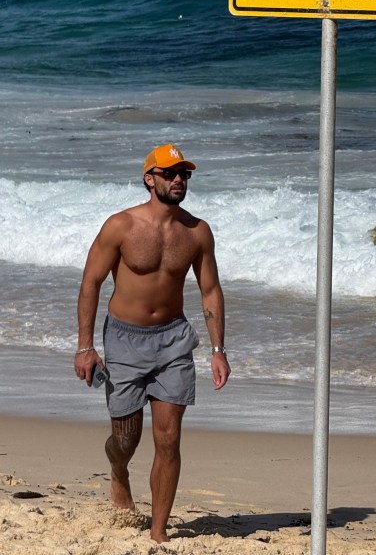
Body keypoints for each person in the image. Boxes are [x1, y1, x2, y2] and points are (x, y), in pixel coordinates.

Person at [74, 143, 230, 543]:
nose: (179, 180)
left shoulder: (197, 232)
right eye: (170, 173)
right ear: (150, 179)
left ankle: (158, 532)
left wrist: (218, 350)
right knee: (125, 440)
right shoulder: (120, 226)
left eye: (185, 174)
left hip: (174, 340)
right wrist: (85, 346)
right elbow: (91, 283)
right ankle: (119, 473)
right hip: (125, 340)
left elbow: (210, 290)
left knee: (169, 437)